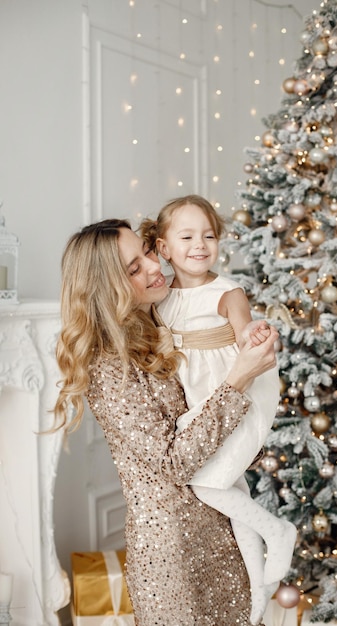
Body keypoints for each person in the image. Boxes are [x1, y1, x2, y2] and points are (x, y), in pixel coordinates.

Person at [53, 218, 280, 626]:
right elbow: (175, 462)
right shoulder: (107, 367)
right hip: (174, 554)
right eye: (134, 268)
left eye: (146, 252)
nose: (155, 266)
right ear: (107, 288)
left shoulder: (164, 326)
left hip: (224, 527)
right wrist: (240, 377)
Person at [141, 195, 297, 625]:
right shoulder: (159, 299)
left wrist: (253, 333)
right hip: (203, 406)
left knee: (207, 486)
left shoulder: (226, 291)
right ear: (162, 248)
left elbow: (242, 321)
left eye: (209, 235)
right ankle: (256, 598)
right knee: (236, 492)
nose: (200, 244)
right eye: (187, 236)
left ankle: (278, 531)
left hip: (240, 392)